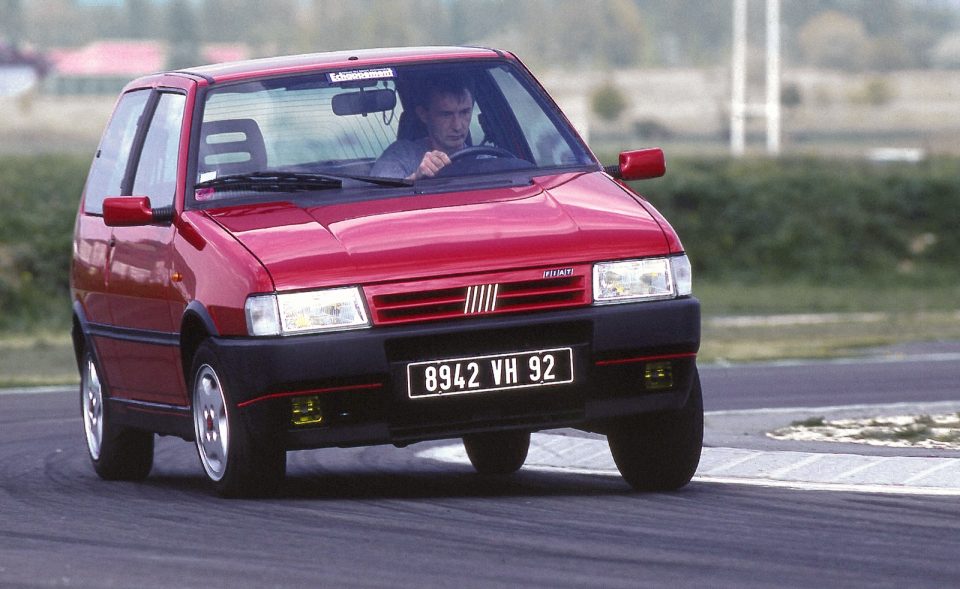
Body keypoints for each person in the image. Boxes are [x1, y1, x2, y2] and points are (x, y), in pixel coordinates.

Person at [371, 77, 474, 180]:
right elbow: (379, 192)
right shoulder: (402, 155)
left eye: (464, 112)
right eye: (446, 114)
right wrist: (416, 178)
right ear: (423, 114)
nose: (457, 126)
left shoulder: (485, 159)